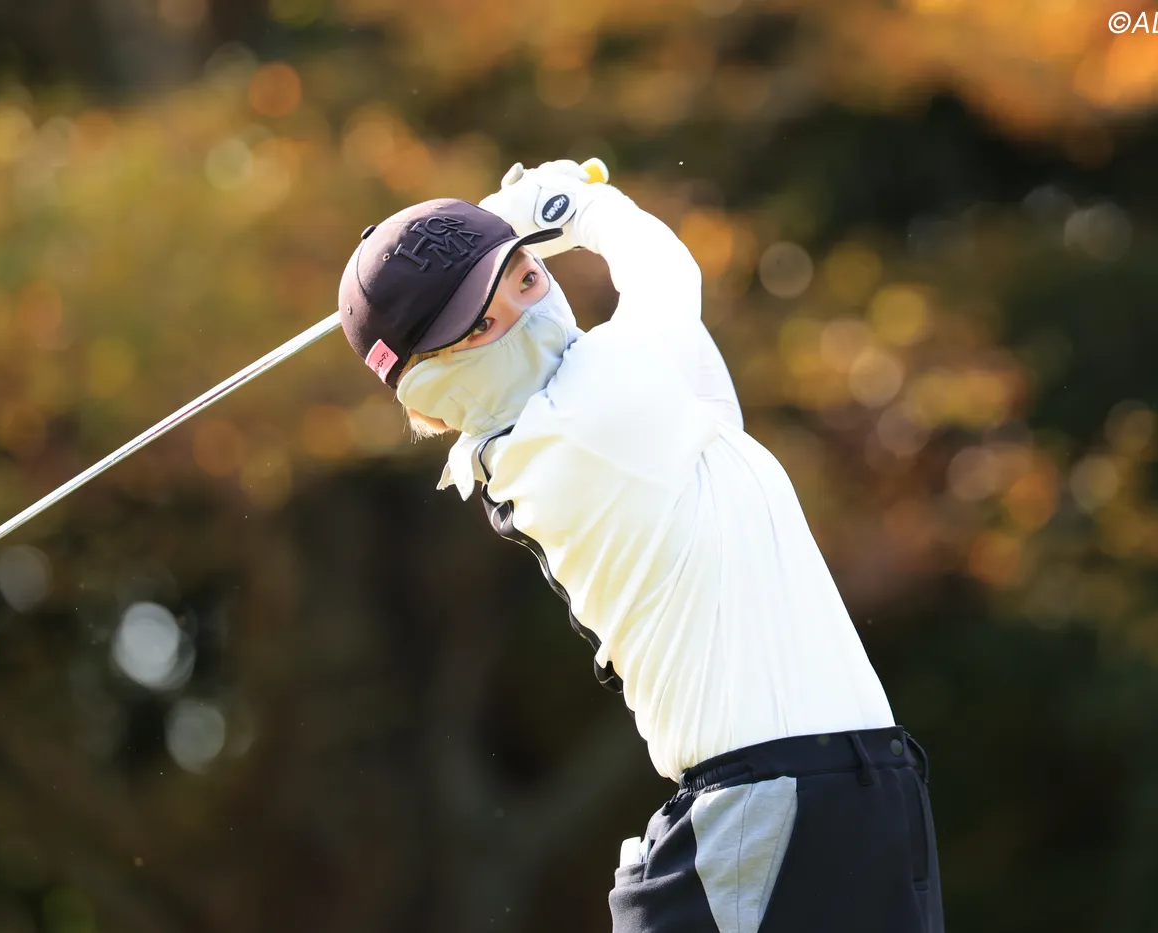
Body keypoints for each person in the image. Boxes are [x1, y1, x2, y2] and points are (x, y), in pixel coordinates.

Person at [335, 159, 944, 932]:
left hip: (858, 786)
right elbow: (666, 277)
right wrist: (582, 209)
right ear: (430, 384)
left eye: (526, 279)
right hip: (769, 808)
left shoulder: (620, 409)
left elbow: (707, 392)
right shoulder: (566, 429)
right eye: (481, 325)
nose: (525, 314)